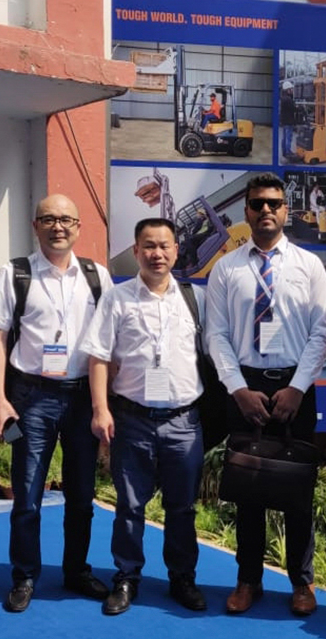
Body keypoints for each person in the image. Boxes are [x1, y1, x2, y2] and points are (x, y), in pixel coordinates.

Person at [206, 172, 326, 617]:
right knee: (249, 491)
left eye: (274, 203)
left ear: (286, 210)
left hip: (296, 389)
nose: (265, 210)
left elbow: (322, 333)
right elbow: (216, 335)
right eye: (257, 203)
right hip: (245, 388)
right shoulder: (226, 269)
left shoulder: (309, 266)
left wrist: (297, 388)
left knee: (299, 492)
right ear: (246, 211)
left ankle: (301, 582)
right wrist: (238, 389)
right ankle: (248, 580)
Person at [0, 194, 114, 613]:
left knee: (82, 495)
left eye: (66, 220)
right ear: (35, 225)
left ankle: (76, 571)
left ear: (78, 227)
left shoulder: (97, 276)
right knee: (27, 496)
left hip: (81, 397)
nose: (58, 226)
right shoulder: (15, 273)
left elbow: (108, 342)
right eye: (49, 219)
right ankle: (24, 576)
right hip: (32, 398)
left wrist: (105, 403)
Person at [81, 218, 208, 616]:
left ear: (176, 250)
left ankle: (182, 578)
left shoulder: (195, 299)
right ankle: (126, 578)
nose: (157, 254)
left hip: (183, 422)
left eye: (164, 246)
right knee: (130, 506)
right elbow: (98, 356)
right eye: (148, 246)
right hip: (132, 419)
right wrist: (100, 409)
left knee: (182, 507)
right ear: (136, 251)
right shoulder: (117, 299)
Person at [280, 82, 297, 158]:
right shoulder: (288, 99)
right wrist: (299, 108)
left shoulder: (283, 98)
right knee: (288, 137)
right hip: (289, 121)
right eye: (291, 89)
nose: (292, 90)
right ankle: (288, 152)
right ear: (288, 90)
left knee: (284, 137)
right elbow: (293, 109)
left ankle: (284, 152)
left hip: (284, 121)